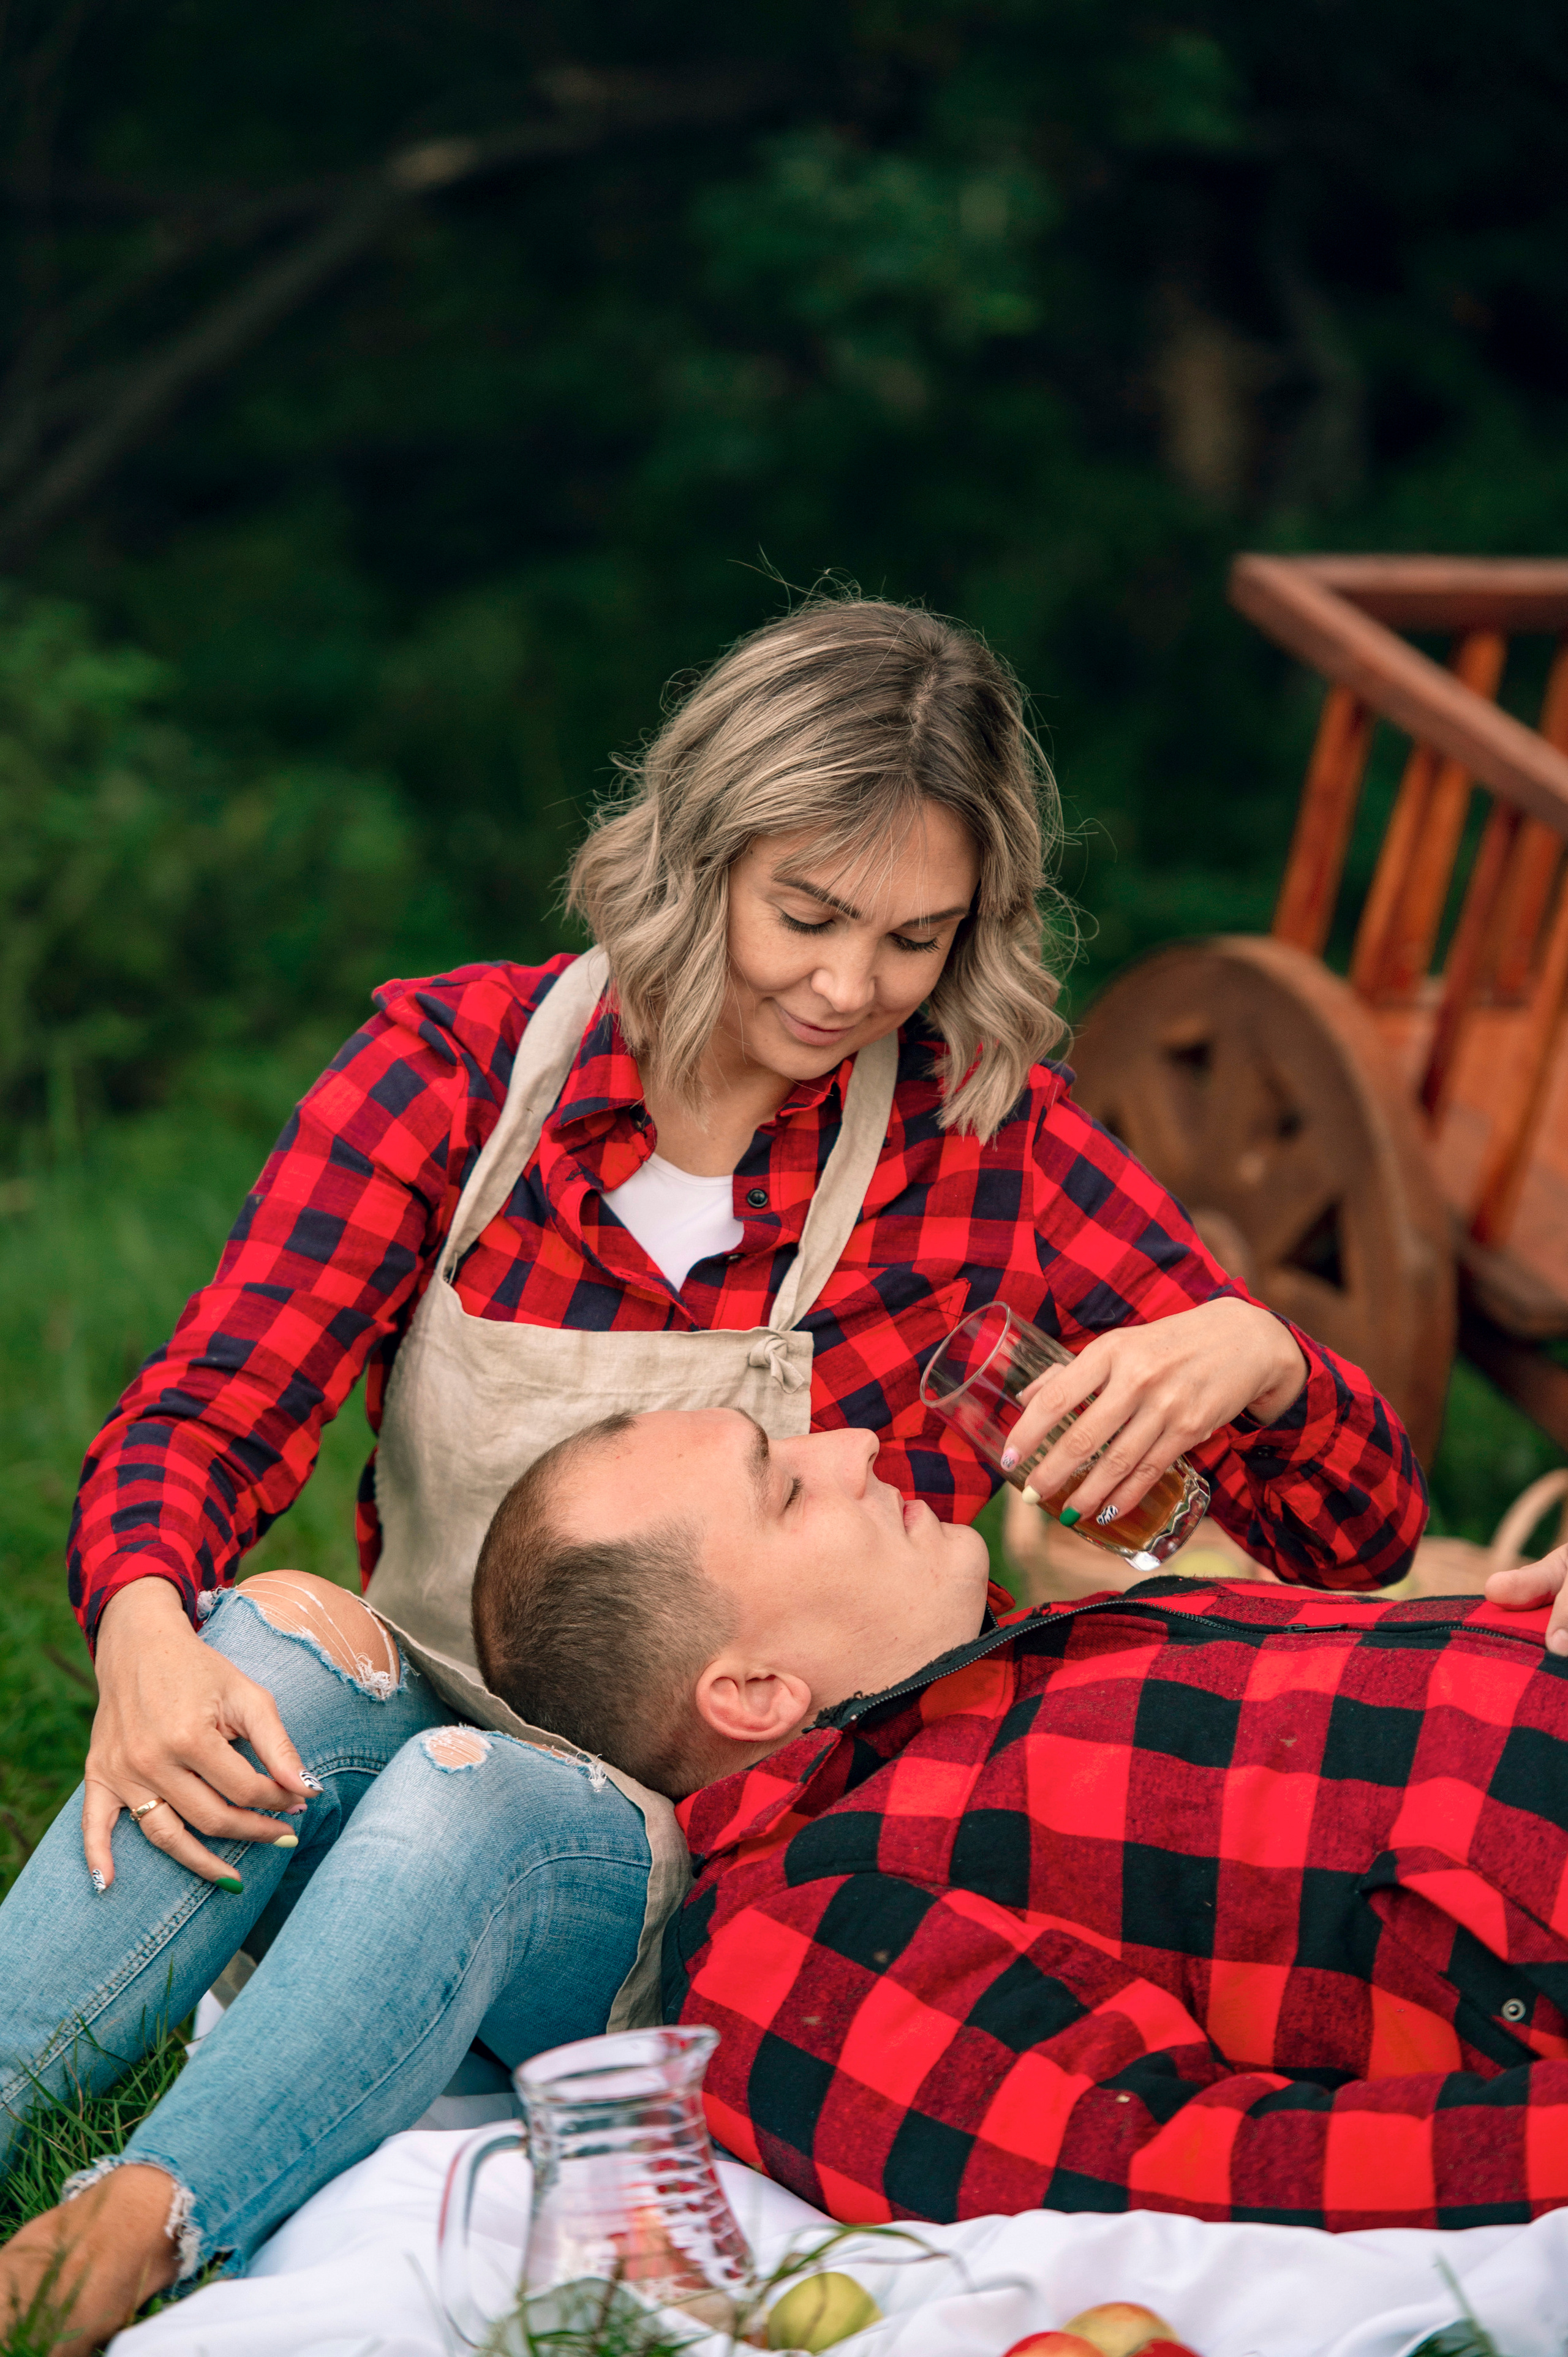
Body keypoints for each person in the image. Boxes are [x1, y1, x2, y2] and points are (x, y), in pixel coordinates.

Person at [0, 597, 1426, 2342]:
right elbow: (210, 1411)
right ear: (698, 853)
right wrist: (153, 1627)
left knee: (473, 1788)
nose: (848, 988)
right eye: (807, 915)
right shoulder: (462, 1078)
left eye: (916, 938)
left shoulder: (986, 1146)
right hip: (403, 1759)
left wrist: (1268, 1364)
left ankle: (133, 2232)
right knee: (277, 1645)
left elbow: (1351, 1552)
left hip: (721, 1864)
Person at [484, 1408, 1568, 2228]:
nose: (856, 1443)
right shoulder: (787, 1935)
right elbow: (1168, 2173)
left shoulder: (1006, 1660)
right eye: (786, 1493)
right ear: (756, 1691)